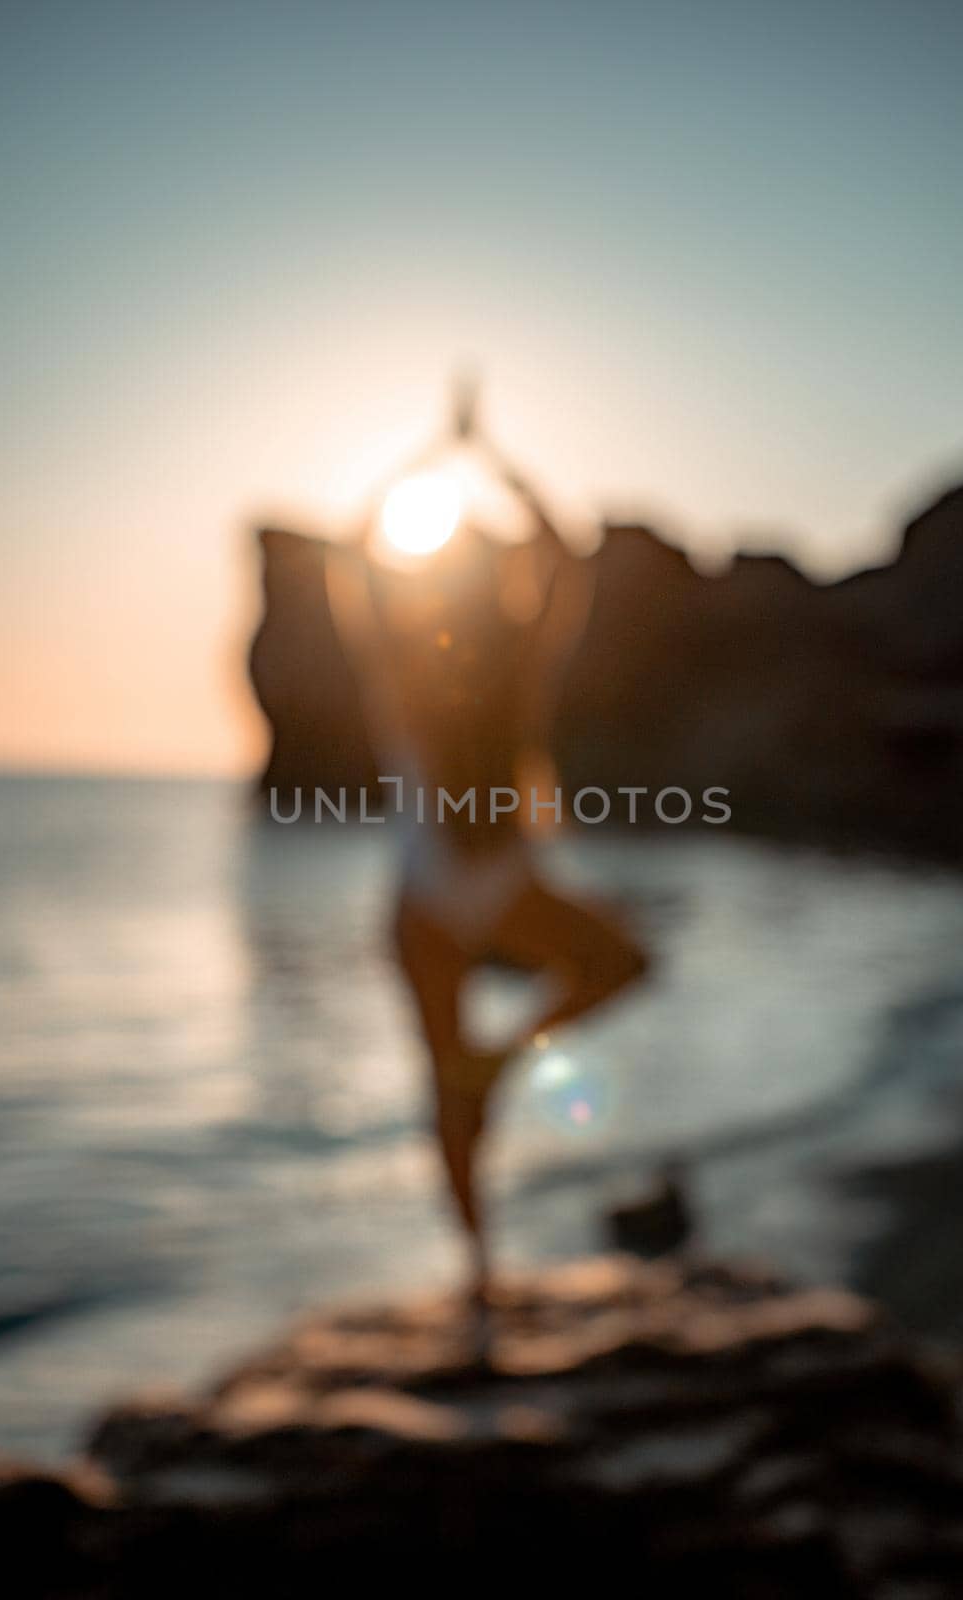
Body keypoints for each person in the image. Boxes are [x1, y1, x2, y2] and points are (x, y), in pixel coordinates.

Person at [326, 392, 648, 1313]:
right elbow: (563, 562)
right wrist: (469, 454)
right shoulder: (447, 674)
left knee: (616, 968)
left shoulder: (492, 677)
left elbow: (357, 558)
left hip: (451, 897)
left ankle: (501, 1077)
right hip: (457, 900)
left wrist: (454, 456)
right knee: (457, 1087)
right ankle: (479, 1266)